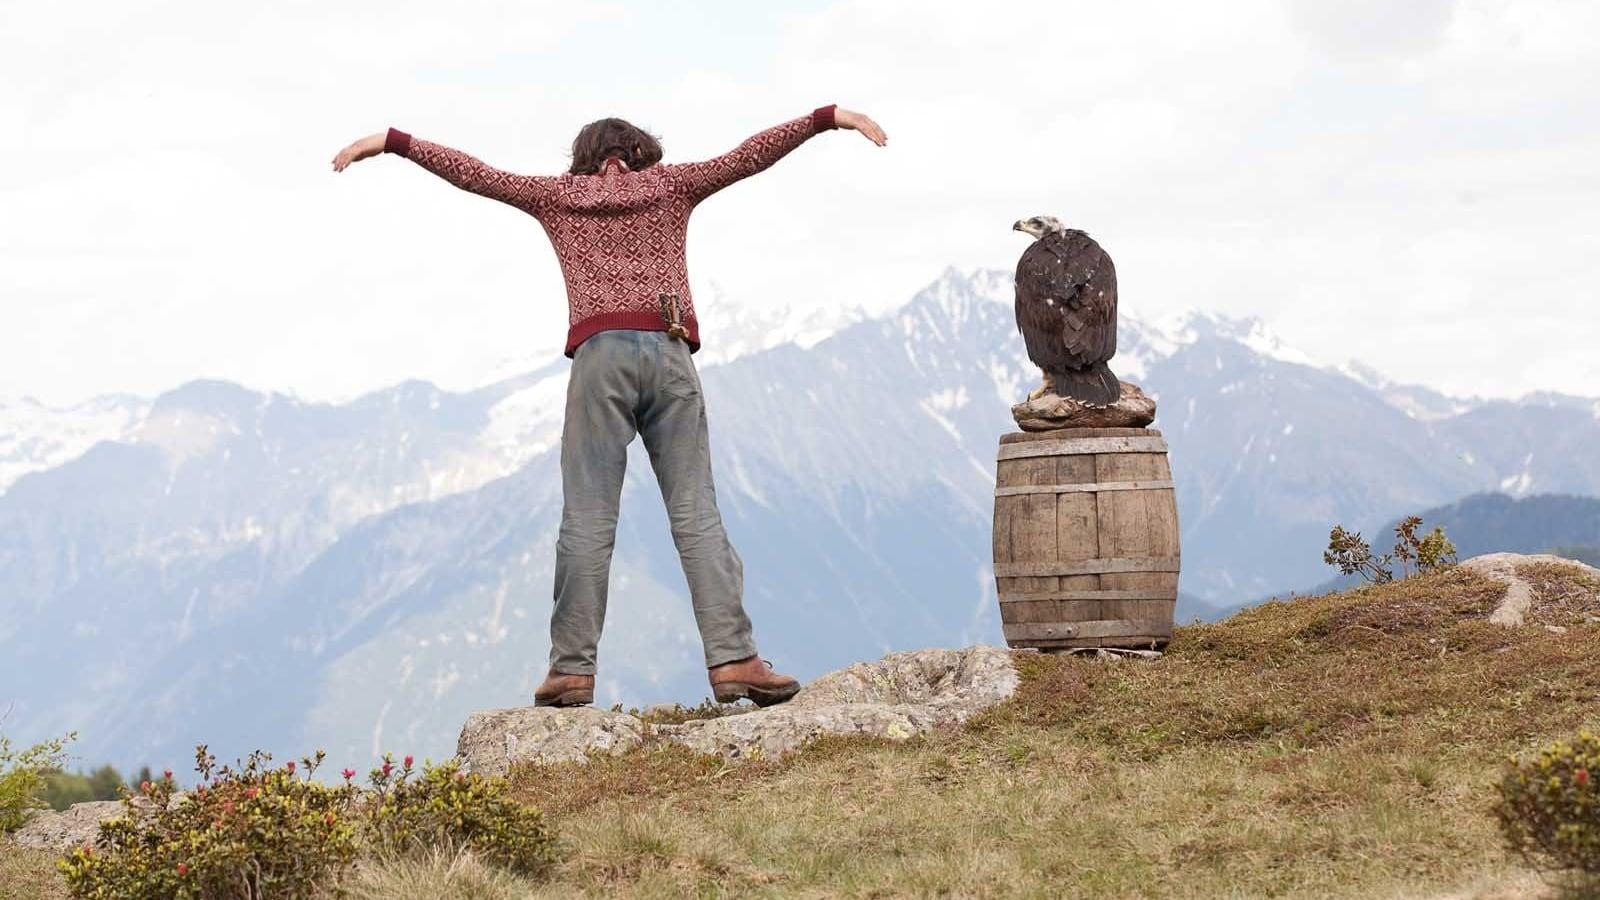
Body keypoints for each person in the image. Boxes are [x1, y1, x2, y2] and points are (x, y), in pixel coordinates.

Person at [332, 104, 888, 708]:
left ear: (583, 161)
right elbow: (749, 156)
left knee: (587, 520)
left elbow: (476, 174)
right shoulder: (671, 185)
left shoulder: (558, 197)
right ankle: (735, 660)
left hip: (599, 361)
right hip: (671, 353)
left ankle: (571, 670)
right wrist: (827, 118)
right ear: (646, 153)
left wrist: (394, 141)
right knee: (696, 514)